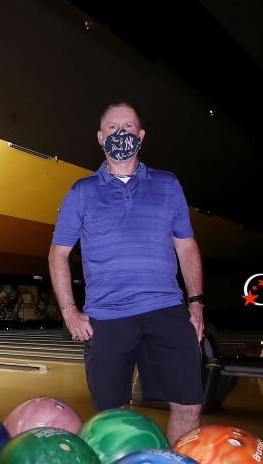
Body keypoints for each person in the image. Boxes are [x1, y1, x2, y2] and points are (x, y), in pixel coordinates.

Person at [48, 101, 205, 445]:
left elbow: (187, 247)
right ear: (101, 137)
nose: (122, 133)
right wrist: (69, 312)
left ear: (141, 135)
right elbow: (58, 254)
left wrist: (195, 303)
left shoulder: (167, 184)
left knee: (189, 406)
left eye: (129, 127)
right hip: (107, 317)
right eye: (114, 128)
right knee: (111, 416)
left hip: (165, 309)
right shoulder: (81, 192)